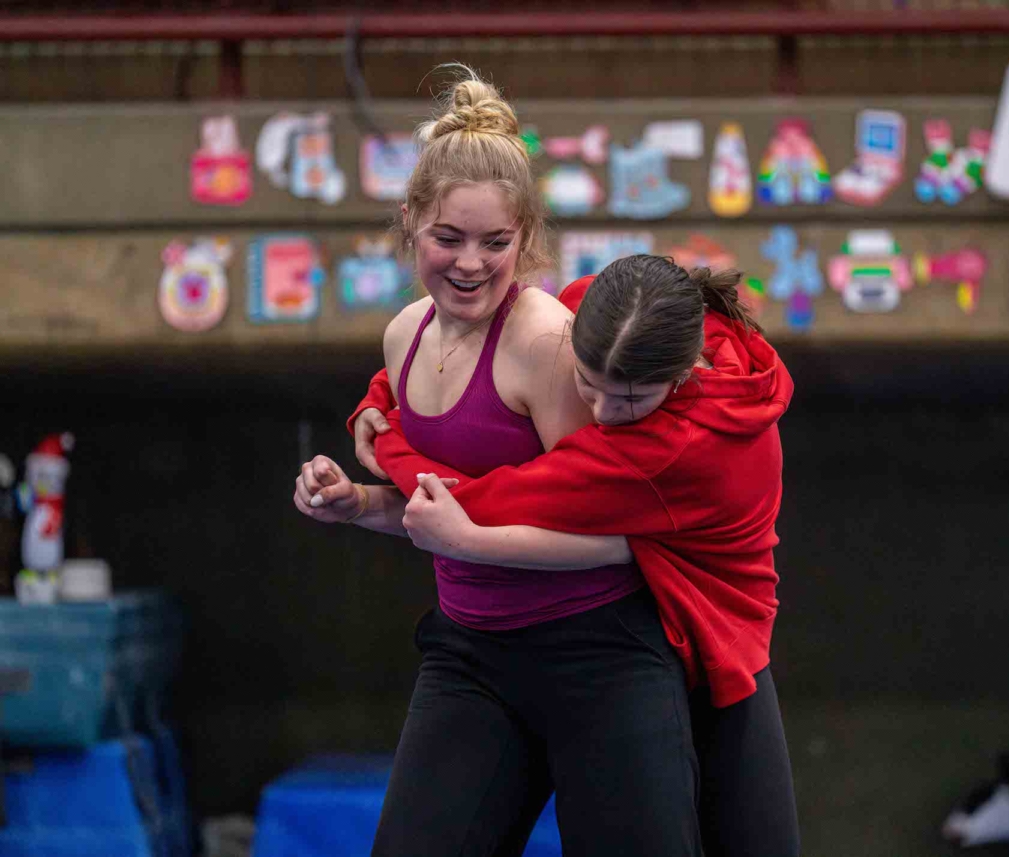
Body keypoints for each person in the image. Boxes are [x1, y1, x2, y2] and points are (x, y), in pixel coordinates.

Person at [294, 72, 703, 857]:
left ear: (527, 236)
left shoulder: (543, 342)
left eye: (497, 242)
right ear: (410, 220)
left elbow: (624, 534)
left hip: (601, 654)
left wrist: (466, 541)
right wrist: (360, 504)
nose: (472, 264)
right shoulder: (402, 336)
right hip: (473, 654)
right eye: (448, 238)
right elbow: (444, 512)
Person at [304, 254, 802, 857]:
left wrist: (391, 440)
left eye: (630, 399)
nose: (601, 415)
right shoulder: (597, 306)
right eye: (586, 384)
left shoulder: (678, 448)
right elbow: (472, 349)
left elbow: (480, 502)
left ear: (679, 379)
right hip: (502, 648)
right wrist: (386, 391)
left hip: (710, 644)